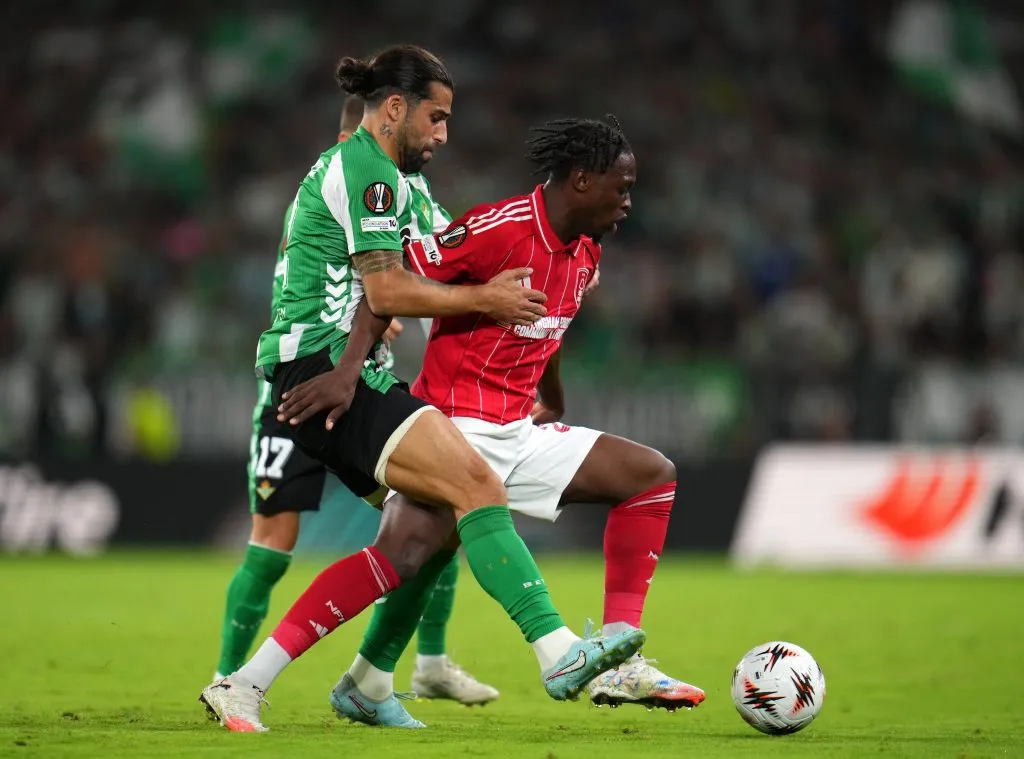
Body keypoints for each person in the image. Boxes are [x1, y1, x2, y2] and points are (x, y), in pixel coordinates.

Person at [200, 45, 645, 733]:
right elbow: (387, 290)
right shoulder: (367, 170)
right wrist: (479, 304)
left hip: (345, 371)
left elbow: (451, 267)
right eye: (435, 118)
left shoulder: (400, 186)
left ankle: (302, 683)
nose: (442, 134)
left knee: (416, 542)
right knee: (476, 487)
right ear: (394, 108)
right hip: (318, 371)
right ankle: (558, 651)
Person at [301, 115, 706, 725]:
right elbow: (389, 284)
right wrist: (349, 370)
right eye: (621, 188)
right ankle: (308, 679)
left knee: (649, 476)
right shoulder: (498, 227)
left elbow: (549, 323)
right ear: (582, 180)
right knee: (409, 556)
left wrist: (554, 395)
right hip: (451, 427)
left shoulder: (585, 249)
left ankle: (618, 653)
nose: (628, 202)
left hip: (517, 428)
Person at [213, 93, 498, 706]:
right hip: (302, 389)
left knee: (434, 512)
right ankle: (227, 677)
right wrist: (365, 314)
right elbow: (305, 293)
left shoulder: (405, 190)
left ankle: (428, 663)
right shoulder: (333, 185)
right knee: (272, 546)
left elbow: (455, 252)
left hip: (361, 382)